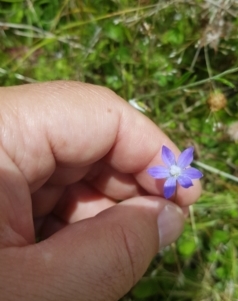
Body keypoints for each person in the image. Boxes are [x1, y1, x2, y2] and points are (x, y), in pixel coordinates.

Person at [0, 81, 201, 301]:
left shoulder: (181, 175)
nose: (174, 169)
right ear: (171, 165)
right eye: (173, 168)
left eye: (178, 168)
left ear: (182, 166)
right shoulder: (162, 172)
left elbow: (184, 175)